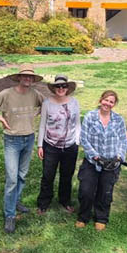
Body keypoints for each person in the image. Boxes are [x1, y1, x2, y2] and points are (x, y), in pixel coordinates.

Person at [0, 67, 44, 234]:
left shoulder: (35, 94)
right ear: (19, 77)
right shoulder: (7, 93)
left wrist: (38, 113)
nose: (28, 79)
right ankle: (10, 215)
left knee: (22, 175)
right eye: (25, 76)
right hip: (12, 140)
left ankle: (15, 201)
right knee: (12, 178)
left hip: (29, 138)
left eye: (31, 77)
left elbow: (48, 105)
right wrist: (0, 118)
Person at [76, 90, 127, 231]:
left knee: (105, 191)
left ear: (114, 104)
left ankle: (101, 217)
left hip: (111, 163)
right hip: (93, 162)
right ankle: (83, 216)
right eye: (106, 100)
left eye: (111, 102)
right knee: (86, 190)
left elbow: (123, 140)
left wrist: (119, 157)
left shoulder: (118, 120)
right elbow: (84, 139)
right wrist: (96, 156)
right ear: (100, 100)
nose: (108, 104)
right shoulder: (90, 117)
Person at [36, 75, 80, 214]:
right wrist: (40, 145)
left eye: (63, 86)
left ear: (68, 88)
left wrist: (77, 141)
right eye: (58, 86)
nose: (61, 88)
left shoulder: (74, 102)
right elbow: (42, 124)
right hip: (50, 145)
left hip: (70, 145)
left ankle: (65, 200)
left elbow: (77, 122)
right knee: (48, 175)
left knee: (67, 175)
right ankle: (44, 203)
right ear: (54, 88)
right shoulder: (47, 103)